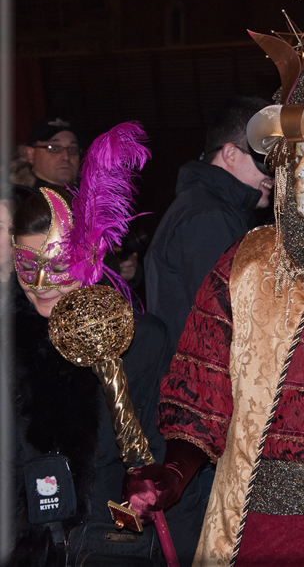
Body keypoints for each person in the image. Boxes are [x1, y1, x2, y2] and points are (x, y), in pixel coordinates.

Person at [123, 31, 304, 566]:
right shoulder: (247, 263)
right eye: (296, 162)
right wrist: (174, 471)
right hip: (256, 527)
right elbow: (199, 395)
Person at [9, 124, 204, 567]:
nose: (39, 283)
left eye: (56, 265)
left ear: (91, 257)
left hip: (105, 547)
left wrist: (154, 487)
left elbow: (169, 442)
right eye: (26, 263)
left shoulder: (140, 339)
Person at [144, 96, 273, 350]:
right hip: (198, 384)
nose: (274, 174)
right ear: (230, 154)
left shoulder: (208, 208)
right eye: (265, 160)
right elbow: (231, 320)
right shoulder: (209, 217)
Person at [17, 117, 82, 190]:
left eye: (73, 149)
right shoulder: (18, 198)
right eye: (54, 148)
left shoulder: (91, 196)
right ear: (30, 154)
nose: (66, 157)